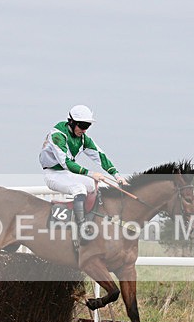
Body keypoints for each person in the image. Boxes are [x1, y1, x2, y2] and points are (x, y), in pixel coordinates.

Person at [39, 104, 128, 244]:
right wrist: (90, 173)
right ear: (72, 122)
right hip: (53, 174)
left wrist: (117, 176)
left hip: (66, 174)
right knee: (79, 188)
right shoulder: (57, 135)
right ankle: (81, 229)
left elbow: (100, 156)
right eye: (82, 125)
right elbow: (66, 163)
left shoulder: (83, 138)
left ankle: (91, 218)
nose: (84, 129)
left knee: (92, 185)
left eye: (87, 126)